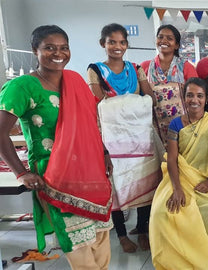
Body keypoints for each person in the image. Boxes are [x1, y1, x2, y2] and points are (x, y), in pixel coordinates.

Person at [0, 25, 113, 269]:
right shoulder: (22, 87)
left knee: (101, 238)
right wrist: (22, 173)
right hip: (54, 177)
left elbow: (89, 124)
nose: (58, 53)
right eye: (49, 48)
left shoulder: (75, 81)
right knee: (78, 244)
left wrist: (103, 152)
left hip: (90, 173)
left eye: (63, 48)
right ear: (35, 51)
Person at [149, 78, 208, 270]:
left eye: (199, 96)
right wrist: (177, 189)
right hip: (179, 176)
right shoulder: (176, 125)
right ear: (184, 98)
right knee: (162, 211)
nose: (194, 100)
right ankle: (179, 262)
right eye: (190, 95)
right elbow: (172, 159)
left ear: (206, 99)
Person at [87, 23, 161, 253]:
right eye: (112, 42)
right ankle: (120, 235)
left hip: (139, 138)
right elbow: (100, 104)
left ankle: (142, 229)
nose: (117, 47)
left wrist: (120, 103)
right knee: (116, 186)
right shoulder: (96, 70)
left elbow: (151, 98)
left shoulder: (135, 68)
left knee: (145, 181)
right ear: (103, 44)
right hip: (111, 139)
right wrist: (132, 102)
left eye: (121, 42)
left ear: (127, 44)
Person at [141, 24, 198, 143]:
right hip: (153, 128)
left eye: (169, 38)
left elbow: (196, 96)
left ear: (177, 45)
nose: (164, 41)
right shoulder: (145, 67)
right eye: (160, 37)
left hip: (183, 126)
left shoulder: (186, 67)